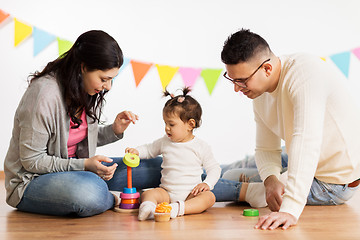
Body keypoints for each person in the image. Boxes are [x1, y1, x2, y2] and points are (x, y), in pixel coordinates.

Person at [220, 28, 360, 230]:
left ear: (266, 69)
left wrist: (290, 209)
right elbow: (266, 149)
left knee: (232, 176)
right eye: (232, 79)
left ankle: (180, 184)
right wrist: (270, 180)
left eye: (241, 80)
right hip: (302, 156)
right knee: (234, 166)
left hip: (334, 181)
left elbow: (306, 141)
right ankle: (172, 166)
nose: (236, 88)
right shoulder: (259, 92)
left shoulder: (304, 75)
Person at [4, 30, 139, 217]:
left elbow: (77, 136)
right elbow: (32, 161)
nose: (108, 87)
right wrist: (84, 165)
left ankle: (113, 193)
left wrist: (114, 130)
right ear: (83, 67)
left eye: (111, 80)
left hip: (79, 173)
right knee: (90, 192)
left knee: (157, 166)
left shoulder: (85, 88)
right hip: (32, 181)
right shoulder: (43, 94)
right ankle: (116, 198)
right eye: (104, 79)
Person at [125, 87, 222, 220]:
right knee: (148, 194)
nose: (166, 128)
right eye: (165, 123)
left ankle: (177, 209)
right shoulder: (165, 142)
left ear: (190, 124)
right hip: (167, 193)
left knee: (209, 197)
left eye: (171, 124)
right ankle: (148, 208)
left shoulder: (201, 146)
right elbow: (149, 150)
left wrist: (207, 184)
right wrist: (136, 151)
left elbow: (214, 168)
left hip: (190, 194)